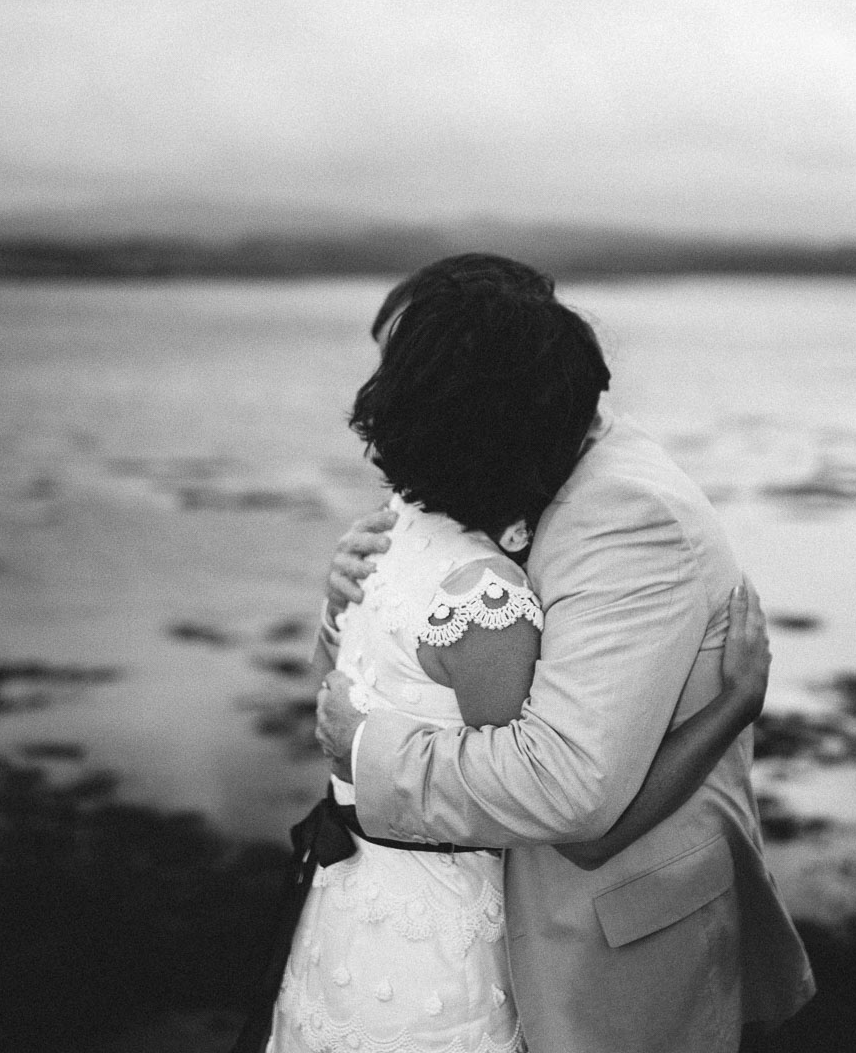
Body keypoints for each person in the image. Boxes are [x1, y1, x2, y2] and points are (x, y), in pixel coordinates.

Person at [309, 255, 814, 1053]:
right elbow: (386, 652)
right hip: (455, 917)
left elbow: (572, 797)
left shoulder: (624, 515)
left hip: (608, 931)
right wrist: (345, 596)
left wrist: (366, 749)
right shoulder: (479, 476)